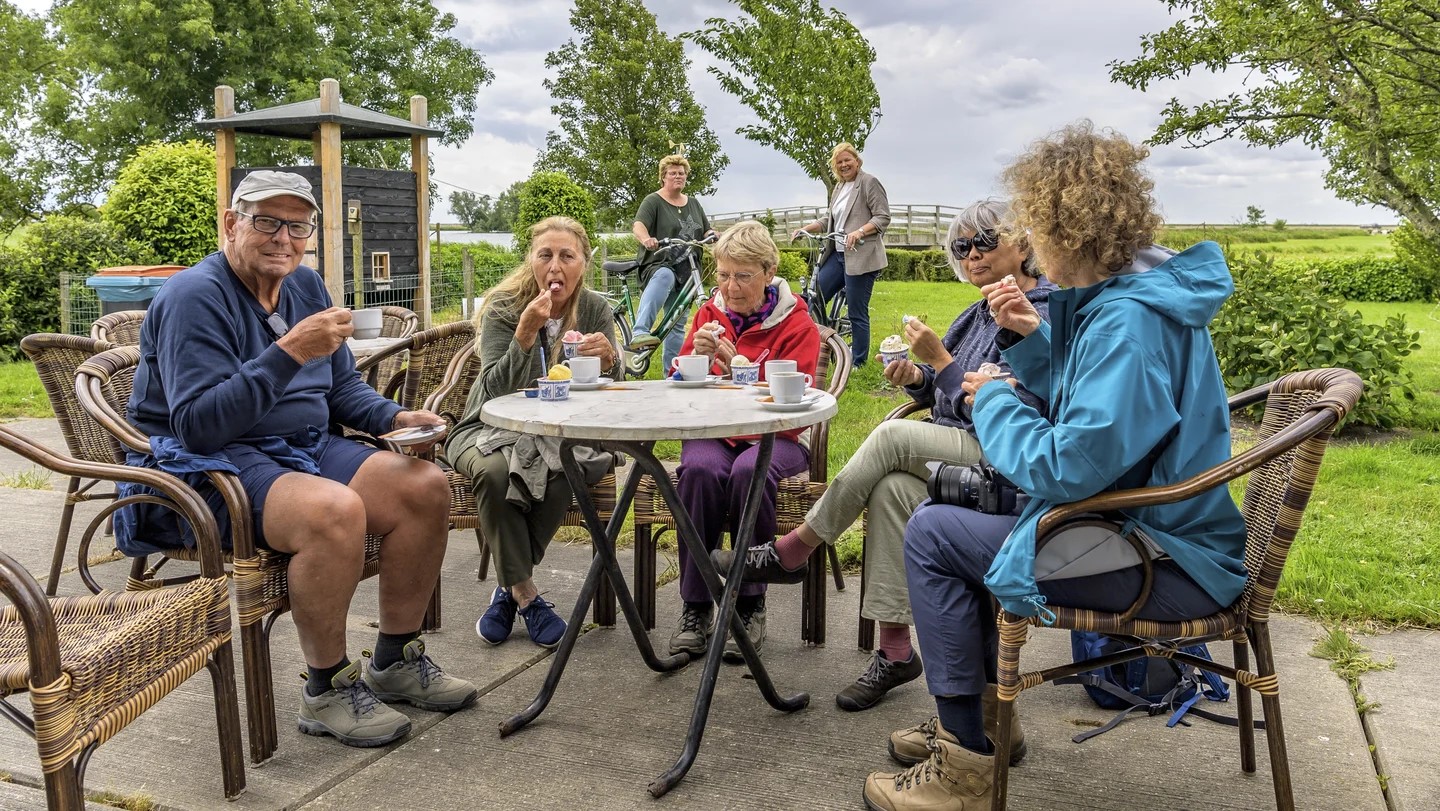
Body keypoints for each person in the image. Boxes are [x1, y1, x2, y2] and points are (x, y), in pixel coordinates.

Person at [863, 121, 1249, 811]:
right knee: (949, 519)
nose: (1031, 249)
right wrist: (1034, 348)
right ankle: (982, 724)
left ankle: (967, 767)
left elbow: (1068, 467)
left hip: (1160, 558)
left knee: (931, 533)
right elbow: (1102, 414)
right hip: (1149, 528)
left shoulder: (1129, 325)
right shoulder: (1139, 295)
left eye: (1035, 229)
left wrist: (999, 403)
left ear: (1066, 230)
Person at [120, 170, 477, 749]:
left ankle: (395, 659)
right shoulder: (193, 298)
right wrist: (288, 352)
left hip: (302, 447)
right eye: (266, 221)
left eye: (297, 224)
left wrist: (393, 419)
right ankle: (328, 688)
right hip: (211, 463)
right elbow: (200, 426)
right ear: (232, 225)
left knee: (422, 484)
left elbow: (340, 393)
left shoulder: (307, 287)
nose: (283, 237)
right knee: (332, 510)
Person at [716, 200, 1056, 711]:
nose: (971, 255)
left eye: (985, 241)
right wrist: (917, 378)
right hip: (956, 450)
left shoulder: (1042, 312)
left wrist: (938, 361)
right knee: (892, 489)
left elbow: (1019, 408)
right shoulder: (977, 310)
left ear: (1023, 245)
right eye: (961, 246)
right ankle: (895, 651)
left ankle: (795, 550)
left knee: (892, 440)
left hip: (1005, 459)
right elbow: (949, 393)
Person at [446, 216, 622, 650]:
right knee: (494, 473)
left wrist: (611, 362)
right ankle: (527, 594)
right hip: (486, 428)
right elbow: (490, 392)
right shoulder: (505, 307)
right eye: (546, 255)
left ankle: (507, 591)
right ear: (531, 260)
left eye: (567, 256)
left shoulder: (596, 308)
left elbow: (616, 386)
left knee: (566, 466)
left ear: (583, 263)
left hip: (564, 432)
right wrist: (523, 336)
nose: (555, 266)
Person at [668, 220, 820, 662]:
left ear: (769, 272)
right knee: (698, 469)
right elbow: (679, 386)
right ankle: (696, 607)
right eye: (723, 275)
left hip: (778, 437)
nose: (730, 287)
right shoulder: (707, 315)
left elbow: (800, 402)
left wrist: (738, 364)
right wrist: (693, 360)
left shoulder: (798, 325)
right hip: (715, 432)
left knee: (748, 471)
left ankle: (749, 604)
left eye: (743, 276)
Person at [791, 142, 891, 367]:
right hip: (837, 254)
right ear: (835, 167)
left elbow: (882, 217)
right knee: (815, 296)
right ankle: (821, 345)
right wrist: (805, 229)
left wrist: (859, 231)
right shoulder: (839, 187)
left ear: (857, 161)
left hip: (861, 256)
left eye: (848, 160)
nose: (844, 165)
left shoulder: (868, 183)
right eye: (839, 162)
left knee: (857, 310)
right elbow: (829, 220)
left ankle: (857, 363)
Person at [627, 154, 719, 371]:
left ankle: (672, 371)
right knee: (664, 276)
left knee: (677, 322)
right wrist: (646, 239)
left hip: (687, 268)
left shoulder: (694, 203)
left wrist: (714, 234)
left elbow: (705, 229)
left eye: (682, 173)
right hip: (659, 263)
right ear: (663, 177)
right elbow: (638, 225)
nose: (678, 176)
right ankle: (640, 330)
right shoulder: (653, 201)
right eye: (673, 173)